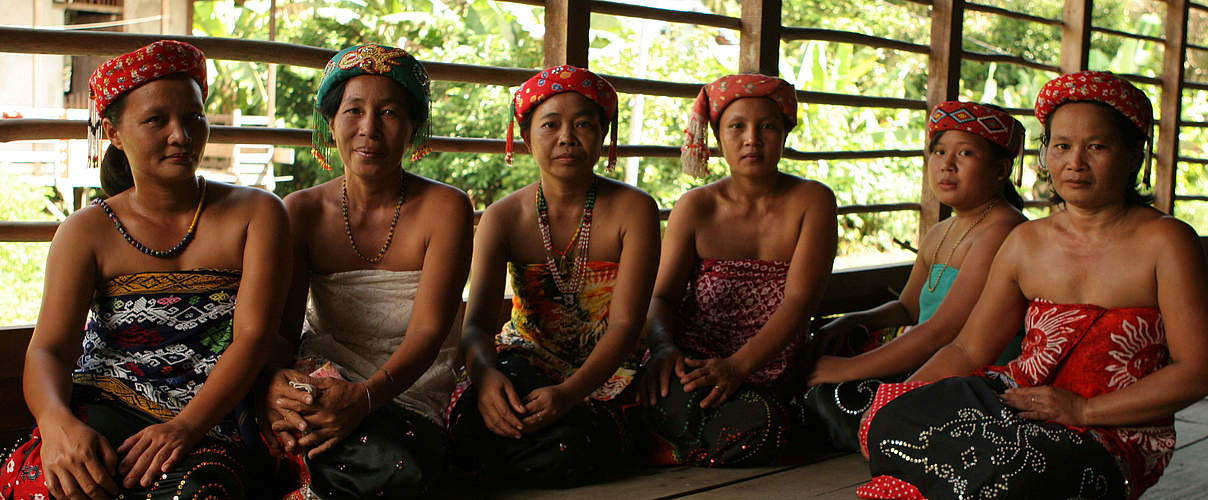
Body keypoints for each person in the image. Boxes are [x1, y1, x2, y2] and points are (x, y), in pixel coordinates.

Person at [857, 71, 1208, 499]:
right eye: (1061, 146)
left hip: (1111, 430)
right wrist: (899, 397)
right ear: (1045, 154)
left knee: (1019, 473)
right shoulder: (1026, 241)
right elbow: (969, 350)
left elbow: (1196, 371)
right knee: (889, 419)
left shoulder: (1167, 242)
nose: (1074, 163)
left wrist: (1083, 409)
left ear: (1135, 154)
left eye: (1096, 147)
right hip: (1016, 402)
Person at [0, 40, 290, 499]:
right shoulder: (85, 231)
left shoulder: (257, 213)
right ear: (114, 133)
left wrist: (184, 427)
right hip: (103, 403)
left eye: (194, 117)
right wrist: (56, 425)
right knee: (50, 485)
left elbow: (252, 338)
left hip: (212, 418)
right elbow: (48, 351)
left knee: (199, 492)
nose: (182, 135)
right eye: (157, 120)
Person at [256, 44, 472, 499]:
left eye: (390, 113)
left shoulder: (446, 208)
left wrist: (366, 399)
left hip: (412, 383)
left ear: (414, 128)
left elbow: (430, 331)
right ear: (331, 122)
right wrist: (271, 383)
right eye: (353, 110)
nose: (369, 129)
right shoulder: (301, 211)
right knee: (280, 430)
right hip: (325, 374)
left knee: (399, 464)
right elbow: (283, 329)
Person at [448, 65, 660, 487]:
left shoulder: (634, 209)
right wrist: (486, 377)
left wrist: (570, 393)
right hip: (526, 360)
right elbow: (476, 326)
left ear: (603, 135)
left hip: (609, 371)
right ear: (526, 138)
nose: (567, 137)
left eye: (583, 123)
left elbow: (625, 324)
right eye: (550, 124)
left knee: (568, 445)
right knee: (480, 413)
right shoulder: (502, 217)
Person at [634, 73, 838, 466]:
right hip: (691, 365)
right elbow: (662, 297)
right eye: (737, 127)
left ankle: (672, 445)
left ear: (784, 134)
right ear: (717, 135)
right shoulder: (695, 206)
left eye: (767, 127)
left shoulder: (813, 201)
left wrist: (737, 366)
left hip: (769, 370)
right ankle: (685, 438)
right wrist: (662, 348)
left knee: (762, 425)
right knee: (662, 394)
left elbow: (800, 301)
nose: (752, 139)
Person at [799, 101, 1028, 451]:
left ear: (1001, 169)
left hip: (968, 369)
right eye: (939, 152)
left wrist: (849, 369)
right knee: (821, 368)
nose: (946, 165)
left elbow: (943, 330)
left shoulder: (1002, 230)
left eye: (965, 153)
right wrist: (851, 320)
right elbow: (908, 309)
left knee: (836, 396)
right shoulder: (942, 230)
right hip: (926, 352)